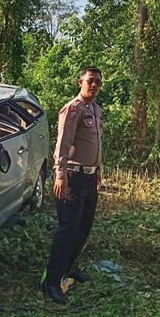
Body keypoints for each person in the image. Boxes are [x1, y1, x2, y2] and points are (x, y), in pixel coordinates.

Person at [41, 66, 104, 304]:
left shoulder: (95, 110)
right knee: (67, 229)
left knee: (83, 227)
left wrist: (98, 171)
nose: (95, 85)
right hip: (72, 177)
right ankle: (51, 281)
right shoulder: (73, 109)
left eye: (98, 81)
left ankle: (68, 268)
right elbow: (62, 145)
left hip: (89, 177)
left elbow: (95, 145)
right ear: (80, 82)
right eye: (90, 81)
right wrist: (60, 176)